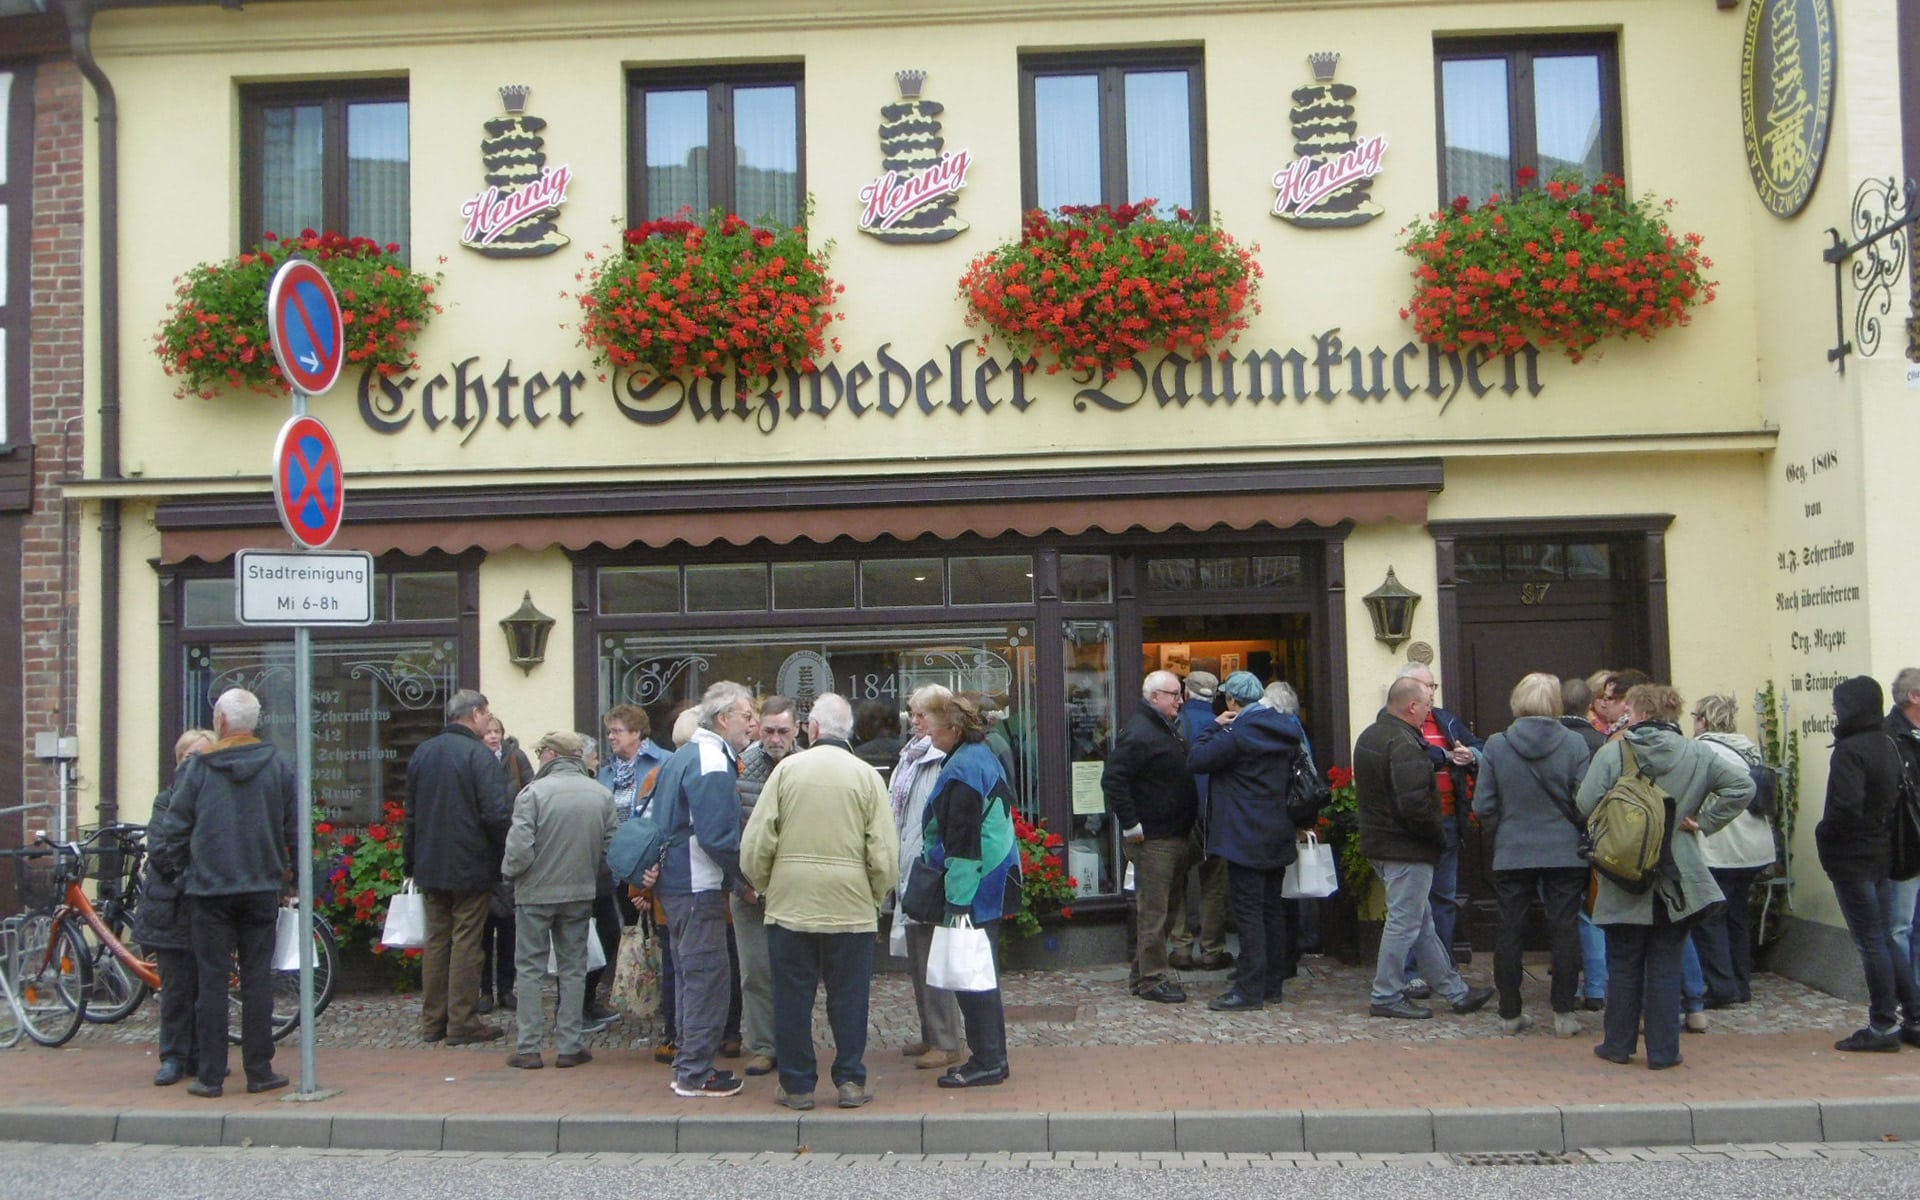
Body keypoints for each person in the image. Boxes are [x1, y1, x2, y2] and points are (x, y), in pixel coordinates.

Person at [1577, 683, 1751, 1069]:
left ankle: (1617, 1045)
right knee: (1666, 964)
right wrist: (1705, 821)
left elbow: (1586, 803)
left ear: (1639, 713)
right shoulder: (1697, 754)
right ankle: (1663, 1051)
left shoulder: (1614, 753)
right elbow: (1743, 786)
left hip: (1624, 869)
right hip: (1678, 873)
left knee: (1624, 962)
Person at [741, 693, 895, 1111]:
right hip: (851, 906)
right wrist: (874, 895)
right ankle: (850, 1080)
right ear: (850, 732)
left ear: (811, 729)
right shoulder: (867, 777)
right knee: (849, 998)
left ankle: (797, 1085)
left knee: (792, 997)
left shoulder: (787, 771)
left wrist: (767, 885)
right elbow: (883, 852)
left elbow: (756, 843)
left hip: (791, 904)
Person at [148, 689, 298, 1098]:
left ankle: (211, 1075)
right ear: (255, 722)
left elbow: (175, 828)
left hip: (209, 889)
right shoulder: (278, 765)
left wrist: (187, 872)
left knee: (212, 982)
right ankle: (260, 1070)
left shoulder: (199, 769)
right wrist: (295, 878)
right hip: (261, 886)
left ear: (220, 721)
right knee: (257, 980)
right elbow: (295, 827)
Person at [1355, 675, 1494, 1020]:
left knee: (1421, 921)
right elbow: (1415, 805)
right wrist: (1437, 837)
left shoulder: (1372, 735)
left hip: (1383, 843)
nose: (1429, 712)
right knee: (1406, 922)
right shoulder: (1404, 744)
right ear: (1412, 706)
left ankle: (1455, 991)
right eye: (1427, 705)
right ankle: (1386, 994)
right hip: (1406, 847)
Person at [652, 681, 759, 1098]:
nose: (751, 724)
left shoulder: (682, 756)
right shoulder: (712, 760)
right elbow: (717, 837)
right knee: (706, 978)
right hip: (698, 885)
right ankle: (695, 1071)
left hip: (678, 883)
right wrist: (745, 879)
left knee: (689, 976)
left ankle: (688, 1063)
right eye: (747, 715)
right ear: (723, 718)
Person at [1471, 673, 1592, 1038]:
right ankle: (1564, 1014)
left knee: (1509, 929)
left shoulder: (1497, 745)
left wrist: (1504, 829)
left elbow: (1483, 804)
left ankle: (1510, 1013)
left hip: (1513, 849)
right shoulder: (1574, 743)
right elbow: (1586, 801)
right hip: (1565, 850)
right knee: (1565, 928)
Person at [1188, 671, 1310, 1011]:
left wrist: (1214, 726)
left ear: (1232, 701)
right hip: (1277, 831)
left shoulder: (1239, 732)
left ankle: (1249, 989)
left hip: (1243, 835)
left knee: (1248, 913)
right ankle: (1272, 984)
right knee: (1272, 910)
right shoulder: (1286, 729)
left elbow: (1197, 759)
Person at [919, 692, 1020, 1089]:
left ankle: (987, 1061)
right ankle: (991, 1058)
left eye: (933, 725)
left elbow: (963, 843)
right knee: (980, 974)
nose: (927, 732)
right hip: (990, 882)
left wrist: (957, 904)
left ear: (955, 730)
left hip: (975, 888)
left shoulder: (962, 769)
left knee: (973, 978)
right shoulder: (978, 757)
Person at [502, 731, 617, 1070]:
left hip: (535, 893)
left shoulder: (533, 794)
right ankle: (570, 1045)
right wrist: (590, 872)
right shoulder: (600, 794)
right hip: (580, 891)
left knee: (529, 969)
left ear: (551, 754)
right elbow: (611, 849)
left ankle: (529, 1047)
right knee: (573, 968)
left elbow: (519, 850)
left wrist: (511, 874)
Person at [404, 688, 513, 1046]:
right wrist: (506, 854)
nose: (488, 721)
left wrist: (410, 861)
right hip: (470, 863)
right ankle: (462, 1021)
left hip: (430, 862)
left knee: (437, 941)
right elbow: (495, 813)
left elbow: (411, 815)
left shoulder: (424, 752)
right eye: (486, 714)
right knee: (467, 941)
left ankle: (432, 1020)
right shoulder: (479, 756)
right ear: (476, 713)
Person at [1817, 675, 1920, 1051]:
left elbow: (1845, 807)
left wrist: (1824, 833)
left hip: (1853, 857)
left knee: (1871, 941)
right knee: (1887, 938)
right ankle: (1914, 1016)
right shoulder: (1887, 742)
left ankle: (1882, 1025)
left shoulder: (1851, 749)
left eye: (1838, 705)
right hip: (1880, 852)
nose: (1835, 712)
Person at [1103, 670, 1200, 1004]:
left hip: (1172, 833)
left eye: (1180, 694)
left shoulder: (1162, 728)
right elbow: (1113, 779)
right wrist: (1131, 824)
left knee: (1166, 910)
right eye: (1174, 695)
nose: (1180, 701)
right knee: (1155, 913)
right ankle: (1152, 980)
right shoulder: (1140, 732)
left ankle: (1141, 974)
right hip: (1155, 839)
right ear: (1155, 696)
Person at [133, 727, 214, 1087]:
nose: (195, 765)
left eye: (204, 757)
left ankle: (200, 1055)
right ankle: (173, 1056)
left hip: (206, 906)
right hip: (171, 906)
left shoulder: (218, 800)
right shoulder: (165, 801)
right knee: (176, 989)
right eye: (189, 757)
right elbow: (161, 850)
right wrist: (192, 879)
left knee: (206, 988)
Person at [890, 684, 965, 1071]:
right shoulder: (911, 755)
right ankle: (931, 1031)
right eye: (913, 714)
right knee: (919, 957)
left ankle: (946, 1039)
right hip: (912, 867)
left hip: (930, 870)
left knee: (935, 957)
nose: (914, 721)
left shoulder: (941, 758)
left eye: (922, 715)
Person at [1394, 662, 1481, 993]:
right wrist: (1446, 756)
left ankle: (1441, 968)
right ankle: (1410, 971)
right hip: (1413, 824)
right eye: (1427, 686)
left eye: (1433, 686)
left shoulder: (1447, 720)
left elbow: (1481, 746)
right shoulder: (1394, 723)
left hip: (1447, 821)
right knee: (1413, 901)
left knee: (1444, 897)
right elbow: (1413, 755)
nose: (1432, 692)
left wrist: (1470, 754)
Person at [1689, 692, 1778, 1007]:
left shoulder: (1703, 749)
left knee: (1710, 916)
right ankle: (1741, 983)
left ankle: (1721, 985)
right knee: (1737, 915)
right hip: (1754, 847)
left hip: (1721, 845)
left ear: (1703, 720)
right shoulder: (1748, 747)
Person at [590, 705, 673, 1032]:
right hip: (616, 865)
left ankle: (663, 994)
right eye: (609, 731)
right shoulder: (607, 773)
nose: (611, 737)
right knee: (629, 929)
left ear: (637, 733)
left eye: (617, 731)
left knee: (655, 929)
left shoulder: (663, 763)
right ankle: (638, 987)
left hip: (649, 864)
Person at [733, 695, 799, 1076]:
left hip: (794, 887)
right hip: (749, 888)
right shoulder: (740, 765)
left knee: (795, 971)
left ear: (797, 729)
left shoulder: (808, 765)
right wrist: (741, 883)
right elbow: (728, 830)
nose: (775, 739)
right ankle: (763, 1045)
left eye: (783, 731)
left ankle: (793, 1043)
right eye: (769, 730)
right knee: (755, 971)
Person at [1170, 670, 1231, 972]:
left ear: (1186, 691)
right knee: (1214, 886)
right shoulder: (1226, 726)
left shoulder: (1176, 725)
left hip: (1182, 816)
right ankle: (1212, 949)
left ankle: (1181, 948)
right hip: (1217, 815)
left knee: (1176, 882)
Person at [479, 714, 534, 1016]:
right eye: (488, 732)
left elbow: (530, 792)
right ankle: (484, 990)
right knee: (483, 927)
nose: (493, 736)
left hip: (512, 847)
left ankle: (506, 988)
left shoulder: (516, 758)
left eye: (496, 731)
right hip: (483, 852)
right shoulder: (475, 759)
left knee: (509, 925)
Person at [1883, 668, 1920, 996]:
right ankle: (1907, 995)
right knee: (1900, 925)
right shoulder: (1890, 736)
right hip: (1905, 844)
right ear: (1914, 697)